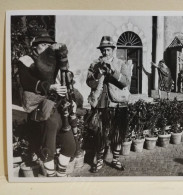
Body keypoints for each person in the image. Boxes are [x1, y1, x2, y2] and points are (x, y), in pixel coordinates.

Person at [17, 32, 77, 177]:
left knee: (70, 146)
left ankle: (60, 175)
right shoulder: (26, 61)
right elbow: (27, 81)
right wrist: (50, 87)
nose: (48, 48)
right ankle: (52, 179)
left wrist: (71, 98)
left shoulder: (56, 63)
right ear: (34, 48)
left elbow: (67, 82)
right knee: (48, 149)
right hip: (43, 110)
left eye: (50, 45)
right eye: (43, 45)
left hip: (61, 109)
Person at [86, 36, 131, 173]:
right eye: (103, 50)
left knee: (117, 133)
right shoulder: (94, 65)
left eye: (108, 50)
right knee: (100, 134)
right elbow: (89, 82)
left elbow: (125, 82)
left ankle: (115, 159)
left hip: (117, 104)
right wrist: (98, 75)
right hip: (101, 104)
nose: (106, 53)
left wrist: (112, 71)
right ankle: (99, 160)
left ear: (113, 50)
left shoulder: (122, 64)